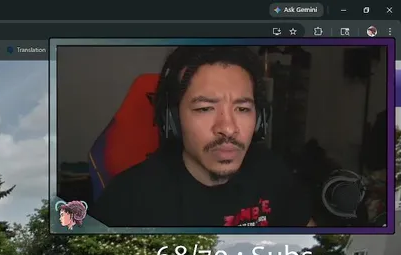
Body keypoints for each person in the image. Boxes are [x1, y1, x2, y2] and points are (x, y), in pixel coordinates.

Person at [88, 46, 313, 228]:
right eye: (205, 109)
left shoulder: (272, 171)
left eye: (243, 109)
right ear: (173, 120)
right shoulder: (128, 200)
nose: (228, 128)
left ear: (260, 120)